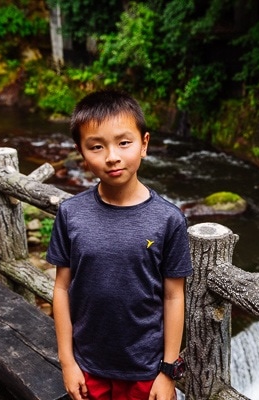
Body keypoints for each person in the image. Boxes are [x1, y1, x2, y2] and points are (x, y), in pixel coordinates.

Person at [46, 89, 193, 400]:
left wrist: (168, 371)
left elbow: (173, 295)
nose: (112, 156)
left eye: (124, 142)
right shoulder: (71, 214)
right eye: (97, 147)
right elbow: (61, 288)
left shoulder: (169, 220)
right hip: (88, 366)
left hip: (146, 370)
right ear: (81, 153)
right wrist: (67, 361)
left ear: (144, 144)